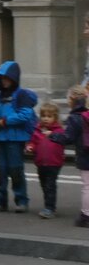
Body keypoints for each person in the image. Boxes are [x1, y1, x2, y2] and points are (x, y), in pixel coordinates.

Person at [0, 60, 38, 213]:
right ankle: (0, 201)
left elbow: (25, 115)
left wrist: (5, 121)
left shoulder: (21, 95)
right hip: (2, 137)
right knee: (0, 171)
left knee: (16, 170)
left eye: (7, 79)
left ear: (14, 79)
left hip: (15, 138)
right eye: (2, 79)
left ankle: (21, 200)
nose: (4, 82)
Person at [46, 84, 89, 228]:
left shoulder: (75, 117)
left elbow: (68, 138)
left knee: (87, 187)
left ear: (72, 99)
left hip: (85, 155)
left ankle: (86, 215)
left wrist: (52, 135)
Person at [25, 101, 66, 219]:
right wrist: (30, 147)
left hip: (54, 163)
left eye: (49, 116)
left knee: (50, 185)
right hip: (41, 163)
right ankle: (48, 205)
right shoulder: (37, 131)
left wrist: (53, 135)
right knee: (44, 185)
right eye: (43, 116)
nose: (46, 119)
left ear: (55, 117)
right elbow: (33, 142)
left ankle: (50, 208)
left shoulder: (59, 131)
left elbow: (64, 140)